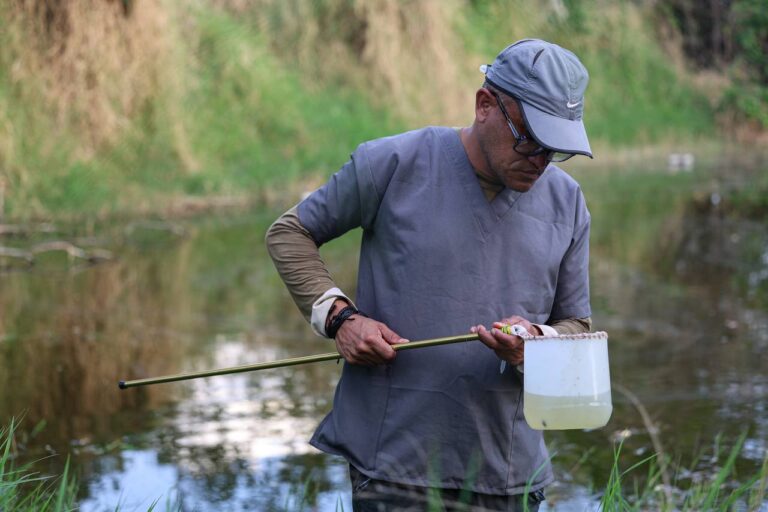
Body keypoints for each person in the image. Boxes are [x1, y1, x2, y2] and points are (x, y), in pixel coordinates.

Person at [266, 38, 594, 511]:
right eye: (530, 139)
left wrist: (536, 343)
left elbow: (577, 328)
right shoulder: (391, 164)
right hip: (393, 469)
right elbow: (290, 232)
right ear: (485, 105)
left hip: (510, 476)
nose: (541, 161)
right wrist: (341, 318)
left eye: (555, 150)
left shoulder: (569, 204)